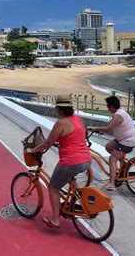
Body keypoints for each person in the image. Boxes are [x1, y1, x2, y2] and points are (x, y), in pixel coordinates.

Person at [29, 95, 91, 228]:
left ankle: (55, 219)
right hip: (86, 159)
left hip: (71, 161)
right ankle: (78, 202)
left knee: (53, 187)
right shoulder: (78, 119)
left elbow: (49, 142)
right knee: (70, 180)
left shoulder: (61, 123)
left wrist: (34, 150)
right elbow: (73, 136)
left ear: (59, 109)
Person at [88, 95, 135, 191]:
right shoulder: (119, 112)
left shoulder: (118, 115)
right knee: (108, 147)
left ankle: (112, 184)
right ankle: (123, 165)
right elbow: (112, 127)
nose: (107, 108)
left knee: (112, 159)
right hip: (123, 139)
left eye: (107, 106)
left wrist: (94, 128)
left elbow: (108, 128)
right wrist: (100, 131)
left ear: (112, 106)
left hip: (128, 141)